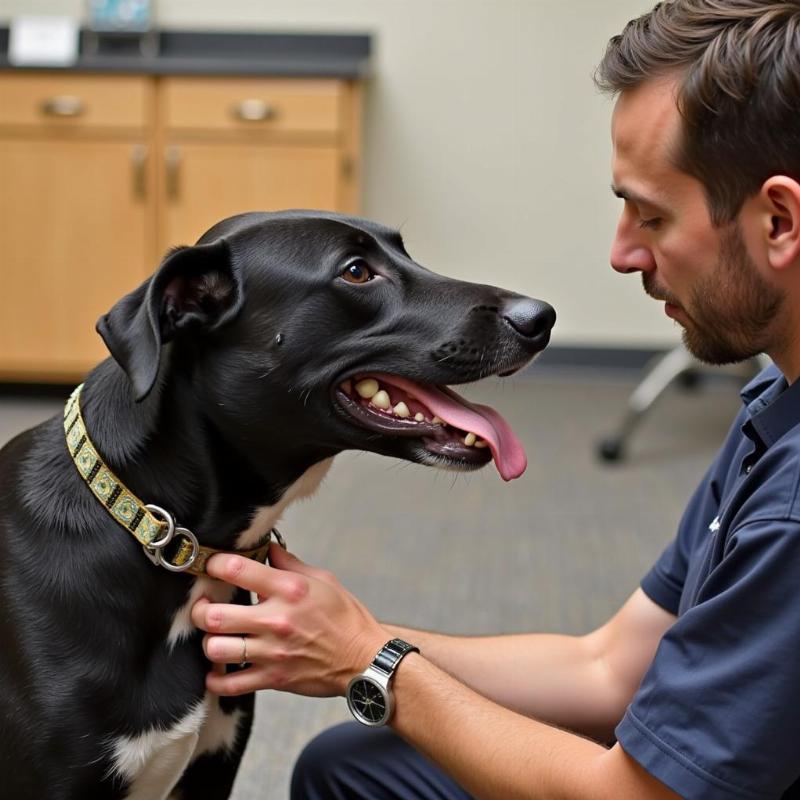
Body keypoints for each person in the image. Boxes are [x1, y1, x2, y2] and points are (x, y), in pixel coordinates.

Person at [191, 1, 800, 797]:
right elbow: (609, 667)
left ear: (780, 220)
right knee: (353, 770)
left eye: (651, 215)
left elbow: (636, 795)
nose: (621, 253)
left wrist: (367, 662)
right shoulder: (774, 401)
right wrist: (347, 638)